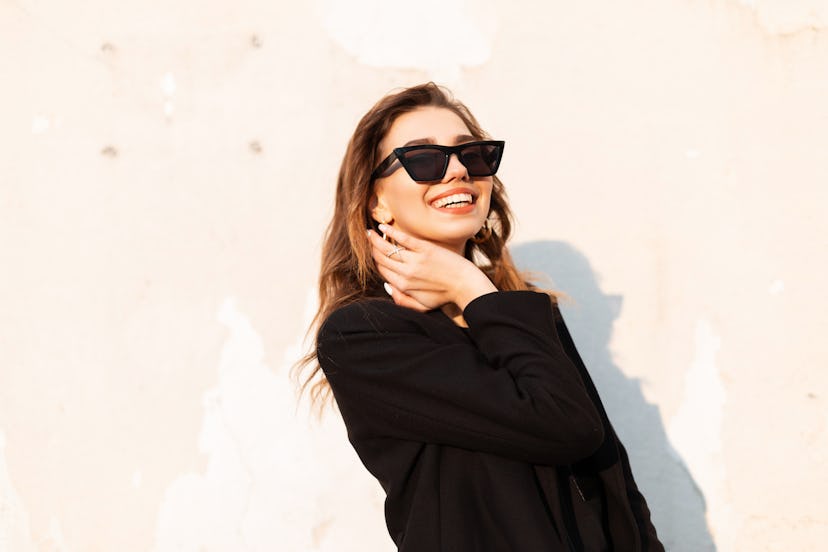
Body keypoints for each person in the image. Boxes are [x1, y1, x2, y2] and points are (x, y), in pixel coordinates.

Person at [293, 82, 664, 551]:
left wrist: (477, 292)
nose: (457, 171)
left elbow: (611, 478)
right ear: (375, 201)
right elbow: (566, 424)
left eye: (473, 155)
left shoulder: (521, 309)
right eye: (423, 159)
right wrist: (470, 285)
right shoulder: (363, 335)